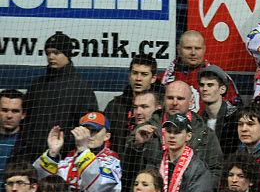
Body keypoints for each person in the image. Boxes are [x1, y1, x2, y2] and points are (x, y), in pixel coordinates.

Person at [13, 32, 98, 160]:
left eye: (56, 53)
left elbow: (88, 127)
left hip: (65, 158)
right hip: (32, 156)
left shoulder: (81, 88)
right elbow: (25, 123)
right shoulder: (37, 85)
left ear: (67, 54)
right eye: (48, 53)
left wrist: (66, 145)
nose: (50, 57)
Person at [149, 112, 214, 192]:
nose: (172, 136)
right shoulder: (155, 162)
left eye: (178, 132)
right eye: (169, 131)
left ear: (188, 136)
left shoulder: (199, 168)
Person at [103, 54, 161, 182]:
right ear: (129, 75)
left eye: (144, 74)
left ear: (153, 78)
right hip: (119, 172)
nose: (138, 79)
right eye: (135, 73)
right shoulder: (114, 106)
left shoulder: (161, 108)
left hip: (151, 173)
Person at [158, 32, 241, 113]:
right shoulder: (163, 79)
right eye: (188, 48)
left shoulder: (220, 78)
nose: (193, 53)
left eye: (197, 48)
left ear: (204, 49)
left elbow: (234, 111)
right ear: (179, 49)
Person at [197, 65, 241, 159]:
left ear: (222, 89)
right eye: (202, 85)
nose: (204, 89)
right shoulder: (198, 121)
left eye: (210, 85)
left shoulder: (236, 119)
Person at [0, 90, 24, 176]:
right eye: (4, 110)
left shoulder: (29, 144)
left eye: (15, 111)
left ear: (23, 114)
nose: (9, 116)